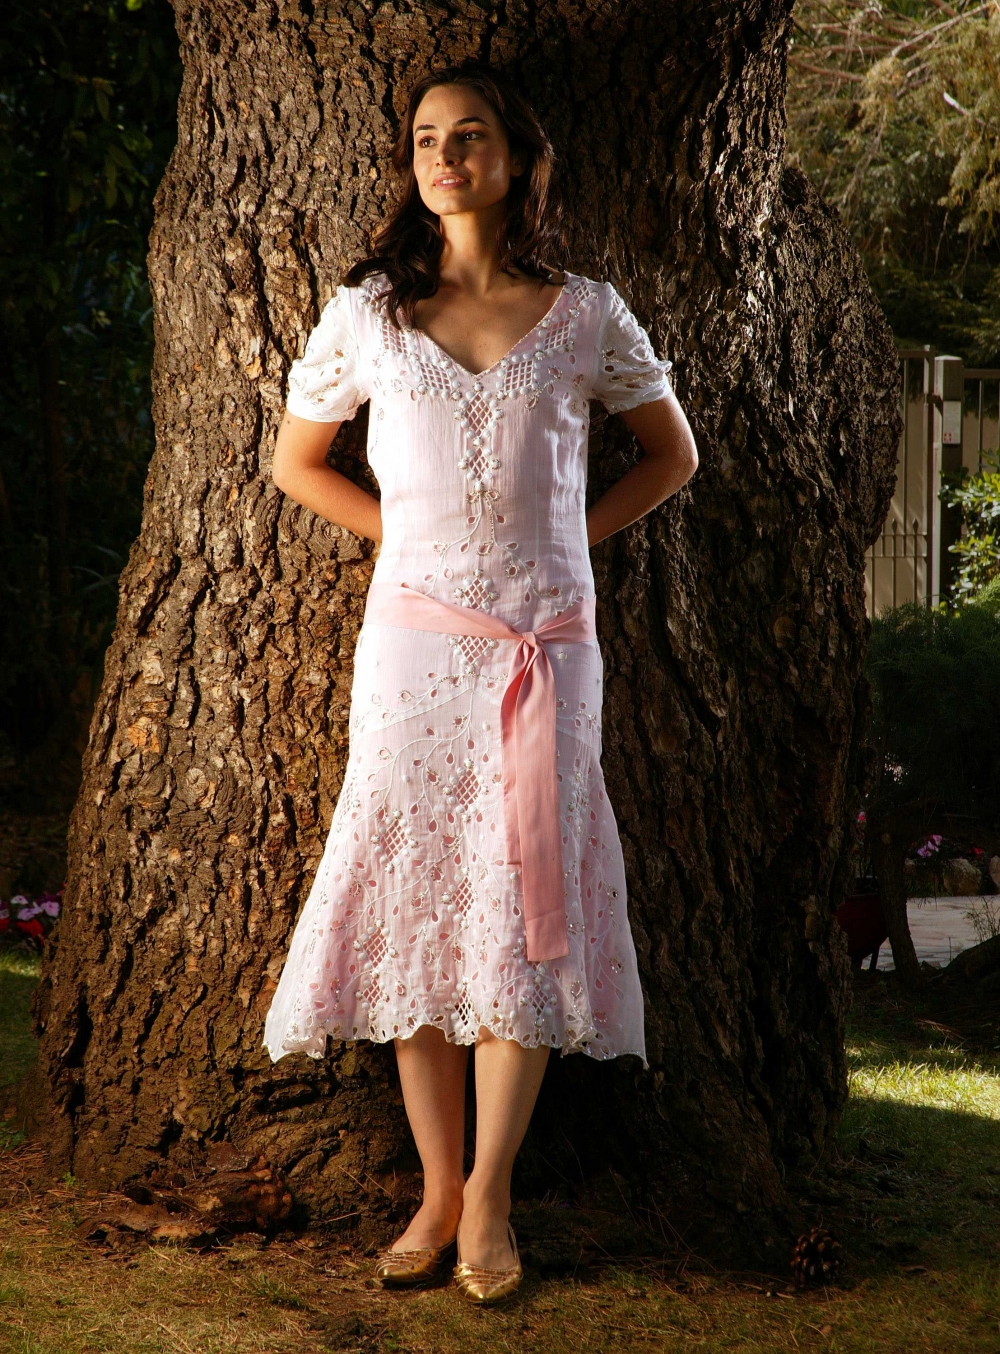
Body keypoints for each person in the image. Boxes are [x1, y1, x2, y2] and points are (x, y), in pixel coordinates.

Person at [262, 61, 698, 1304]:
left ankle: (493, 1195)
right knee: (413, 892)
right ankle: (436, 1189)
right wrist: (404, 545)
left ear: (519, 159)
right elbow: (299, 463)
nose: (445, 157)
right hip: (411, 644)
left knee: (523, 898)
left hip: (546, 646)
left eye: (469, 136)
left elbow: (671, 455)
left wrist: (567, 547)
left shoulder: (586, 313)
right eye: (425, 139)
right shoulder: (369, 313)